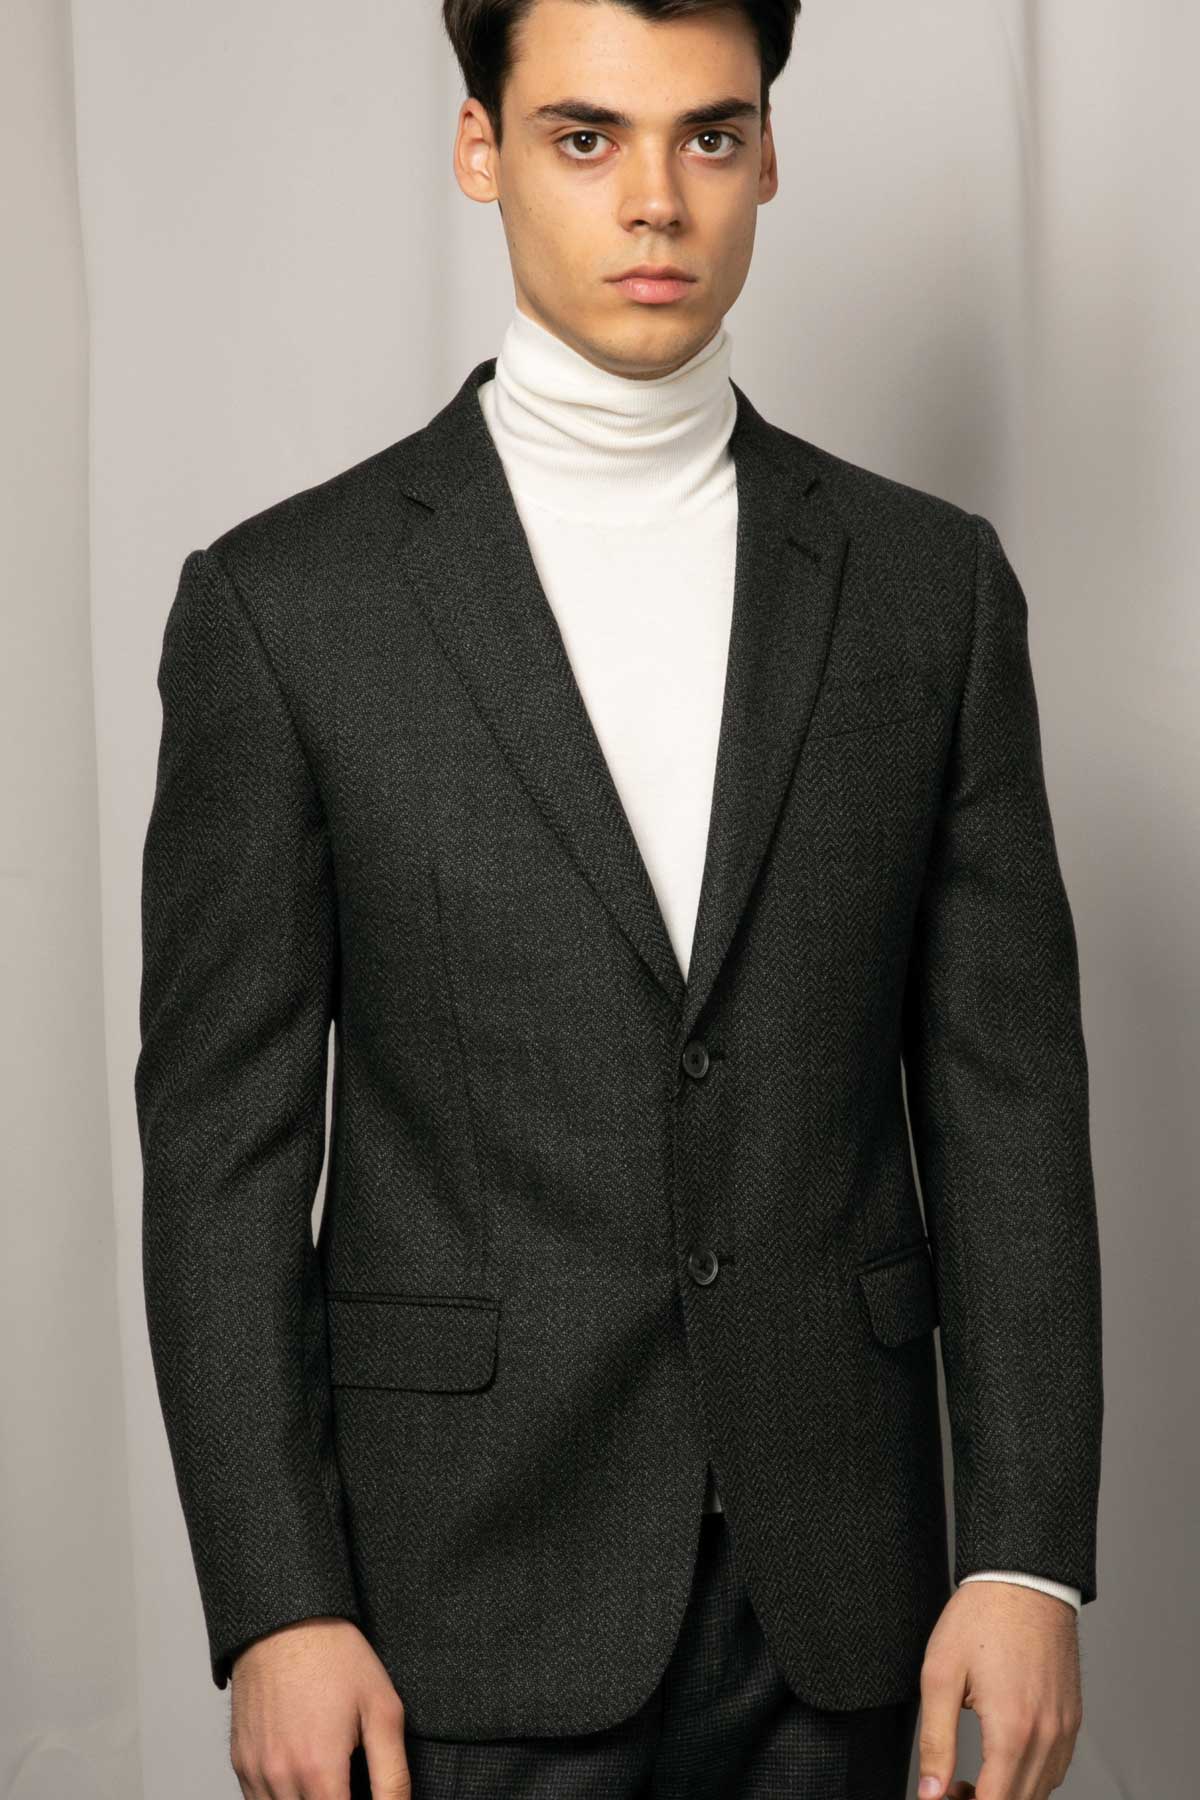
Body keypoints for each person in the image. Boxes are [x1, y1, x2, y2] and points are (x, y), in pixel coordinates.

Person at [135, 2, 1103, 1796]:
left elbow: (1009, 1099)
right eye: (585, 137)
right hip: (449, 1608)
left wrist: (1027, 1554)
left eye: (708, 135)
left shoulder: (930, 592)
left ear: (767, 157)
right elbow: (221, 1153)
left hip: (850, 1606)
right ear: (480, 149)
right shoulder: (286, 610)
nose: (657, 198)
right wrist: (276, 1606)